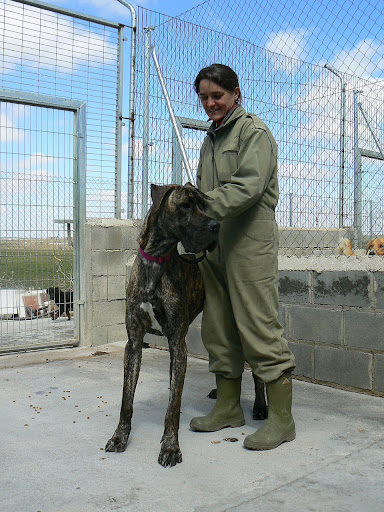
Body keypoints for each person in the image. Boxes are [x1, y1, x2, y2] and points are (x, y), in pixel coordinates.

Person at [189, 63, 296, 450]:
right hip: (214, 244)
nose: (210, 103)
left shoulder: (255, 133)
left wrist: (199, 206)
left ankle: (283, 420)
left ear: (236, 93)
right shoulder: (210, 138)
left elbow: (247, 187)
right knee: (218, 326)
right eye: (203, 96)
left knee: (258, 325)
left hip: (249, 242)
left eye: (217, 95)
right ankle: (229, 408)